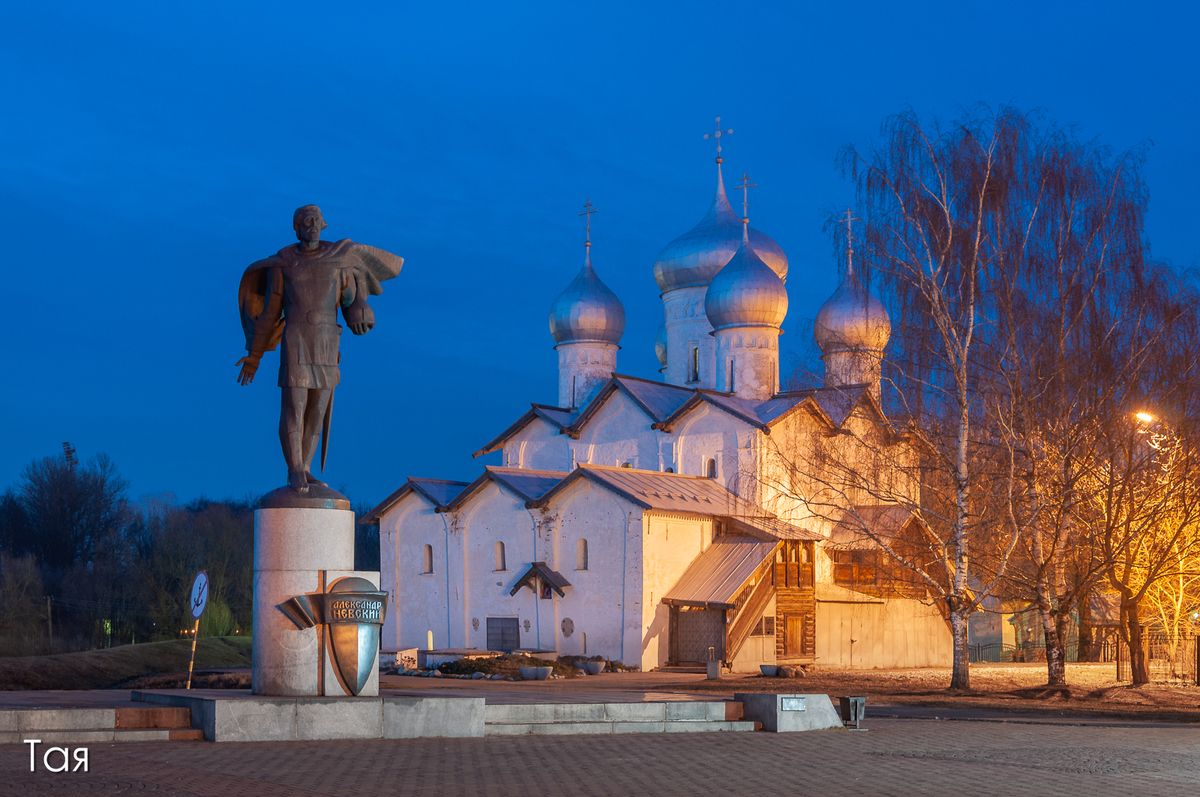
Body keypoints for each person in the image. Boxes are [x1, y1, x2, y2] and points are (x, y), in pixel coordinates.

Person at [237, 205, 403, 492]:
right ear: (297, 227)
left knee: (317, 410)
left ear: (323, 225)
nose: (312, 225)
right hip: (297, 338)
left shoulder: (339, 261)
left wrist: (362, 307)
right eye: (306, 221)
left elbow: (353, 303)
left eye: (316, 220)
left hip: (327, 341)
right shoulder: (284, 264)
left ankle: (307, 466)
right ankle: (294, 469)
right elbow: (270, 312)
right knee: (295, 407)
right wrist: (254, 355)